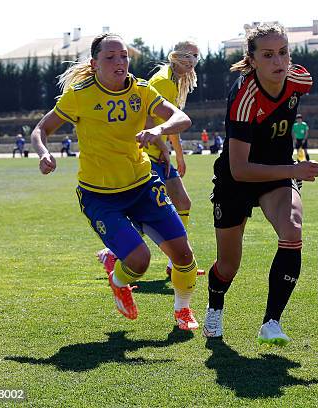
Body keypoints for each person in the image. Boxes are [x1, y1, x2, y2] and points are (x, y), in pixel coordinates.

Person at [30, 33, 200, 327]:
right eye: (110, 58)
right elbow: (40, 130)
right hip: (99, 196)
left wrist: (158, 131)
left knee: (184, 255)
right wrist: (44, 153)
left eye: (123, 56)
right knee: (139, 261)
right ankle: (119, 281)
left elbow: (180, 118)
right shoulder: (79, 95)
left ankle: (182, 310)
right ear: (95, 64)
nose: (119, 63)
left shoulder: (142, 90)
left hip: (143, 186)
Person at [203, 23, 318, 345]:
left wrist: (288, 170)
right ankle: (215, 307)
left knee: (292, 228)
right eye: (268, 55)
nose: (278, 61)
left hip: (278, 173)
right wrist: (295, 169)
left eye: (283, 52)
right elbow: (240, 169)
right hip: (236, 179)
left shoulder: (300, 79)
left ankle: (271, 322)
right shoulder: (243, 97)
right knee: (228, 266)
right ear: (252, 60)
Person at [96, 41, 201, 328]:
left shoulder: (173, 81)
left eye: (196, 55)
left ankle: (171, 267)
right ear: (176, 56)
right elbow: (151, 120)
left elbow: (172, 121)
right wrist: (170, 150)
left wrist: (171, 148)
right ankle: (120, 256)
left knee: (182, 204)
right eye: (188, 54)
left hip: (157, 152)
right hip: (149, 156)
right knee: (159, 210)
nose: (192, 59)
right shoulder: (162, 82)